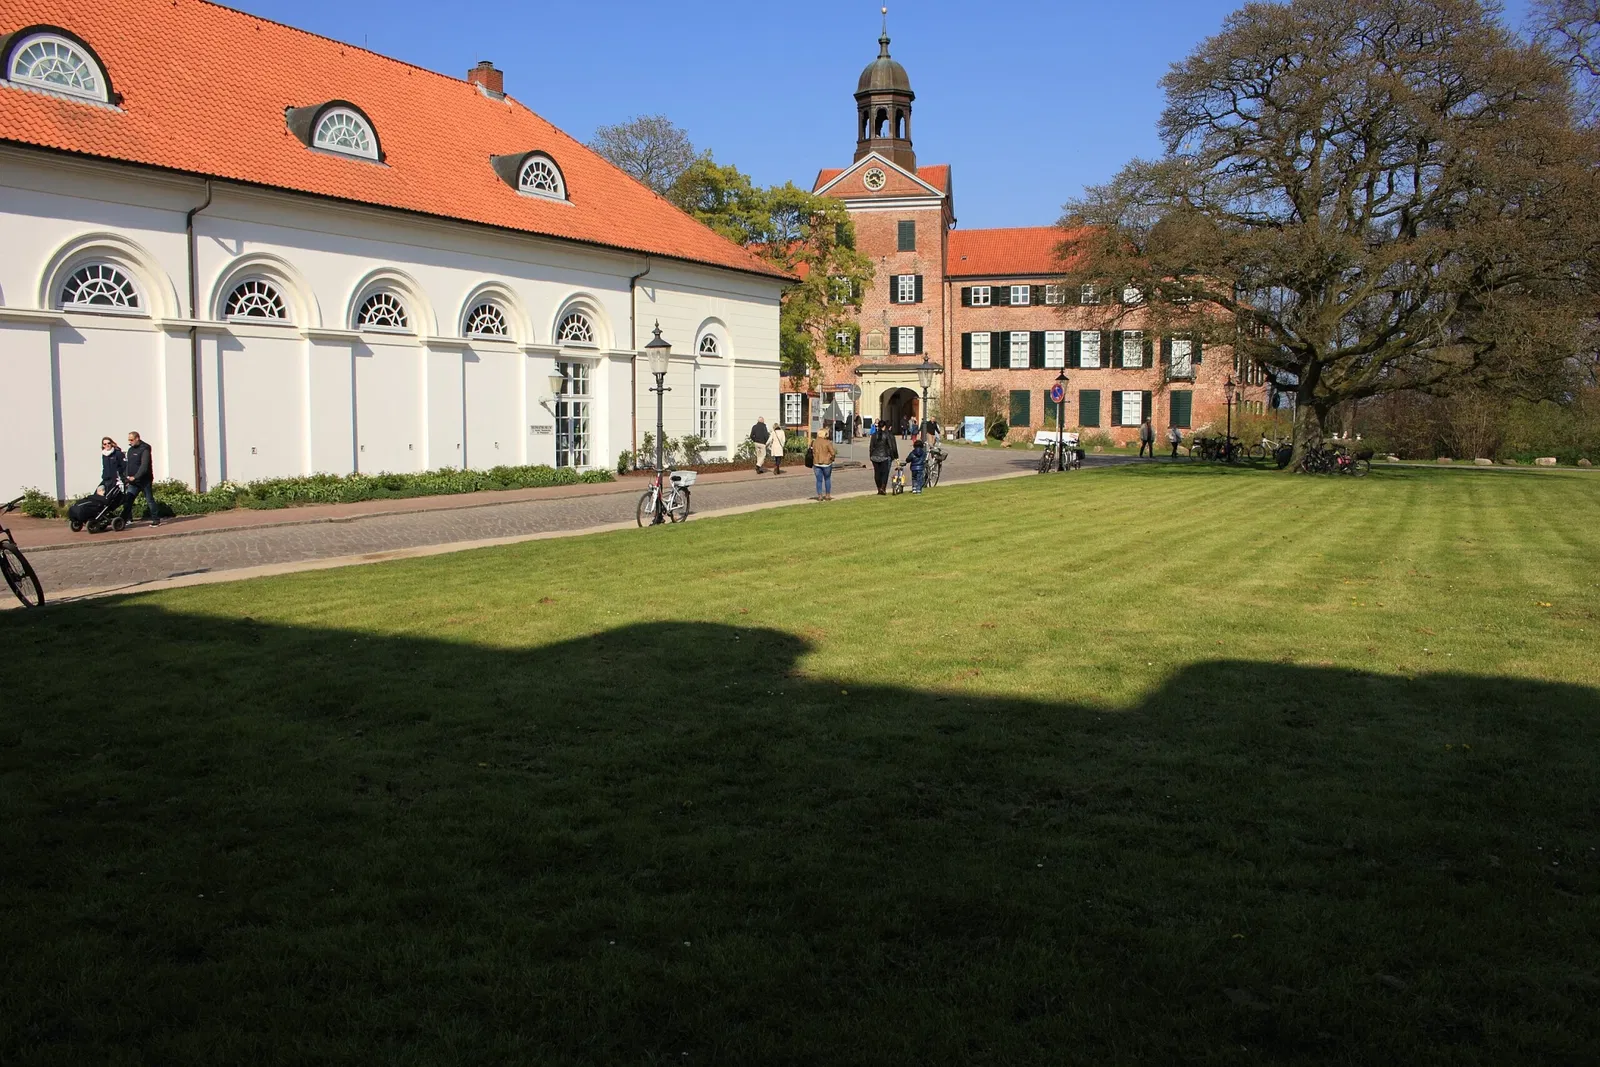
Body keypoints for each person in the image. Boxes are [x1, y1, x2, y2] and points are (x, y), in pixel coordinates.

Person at [121, 430, 159, 526]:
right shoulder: (130, 450)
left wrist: (136, 476)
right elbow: (128, 465)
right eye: (129, 440)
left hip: (144, 480)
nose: (130, 442)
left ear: (137, 438)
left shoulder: (145, 448)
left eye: (132, 440)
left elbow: (144, 466)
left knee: (149, 500)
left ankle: (156, 519)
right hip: (133, 481)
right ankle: (123, 520)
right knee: (128, 500)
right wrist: (126, 476)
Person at [869, 418, 898, 494]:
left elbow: (871, 447)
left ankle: (879, 488)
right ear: (884, 426)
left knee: (877, 473)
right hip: (884, 456)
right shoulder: (886, 435)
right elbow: (890, 446)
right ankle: (882, 487)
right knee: (884, 473)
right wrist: (893, 456)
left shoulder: (874, 435)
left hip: (875, 456)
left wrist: (871, 455)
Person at [811, 429, 836, 500]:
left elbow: (812, 451)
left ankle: (820, 496)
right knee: (827, 479)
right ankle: (827, 495)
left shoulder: (814, 442)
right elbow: (833, 453)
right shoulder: (827, 442)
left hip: (816, 463)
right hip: (826, 463)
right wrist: (832, 459)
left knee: (819, 480)